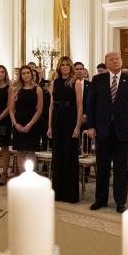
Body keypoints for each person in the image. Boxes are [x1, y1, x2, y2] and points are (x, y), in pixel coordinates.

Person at [85, 51, 128, 213]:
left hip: (123, 131)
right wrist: (90, 126)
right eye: (111, 59)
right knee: (102, 167)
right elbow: (91, 105)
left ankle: (120, 201)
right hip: (102, 130)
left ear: (121, 61)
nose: (114, 61)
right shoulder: (97, 79)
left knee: (121, 168)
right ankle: (100, 199)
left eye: (117, 59)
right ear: (106, 62)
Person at [48, 56, 84, 203]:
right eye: (62, 65)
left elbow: (80, 106)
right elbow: (51, 105)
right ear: (59, 67)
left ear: (70, 67)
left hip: (70, 119)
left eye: (66, 65)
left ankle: (70, 194)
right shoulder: (54, 83)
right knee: (57, 156)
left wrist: (77, 126)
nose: (64, 67)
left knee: (69, 156)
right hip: (57, 119)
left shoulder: (76, 83)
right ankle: (57, 193)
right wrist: (49, 126)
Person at [9, 66, 44, 173]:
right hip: (18, 123)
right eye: (23, 73)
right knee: (20, 152)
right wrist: (15, 124)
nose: (26, 75)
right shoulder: (15, 90)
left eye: (27, 73)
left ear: (31, 74)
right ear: (20, 75)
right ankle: (22, 177)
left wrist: (30, 124)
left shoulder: (38, 89)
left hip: (33, 124)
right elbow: (11, 109)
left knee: (30, 152)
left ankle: (31, 177)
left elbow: (39, 110)